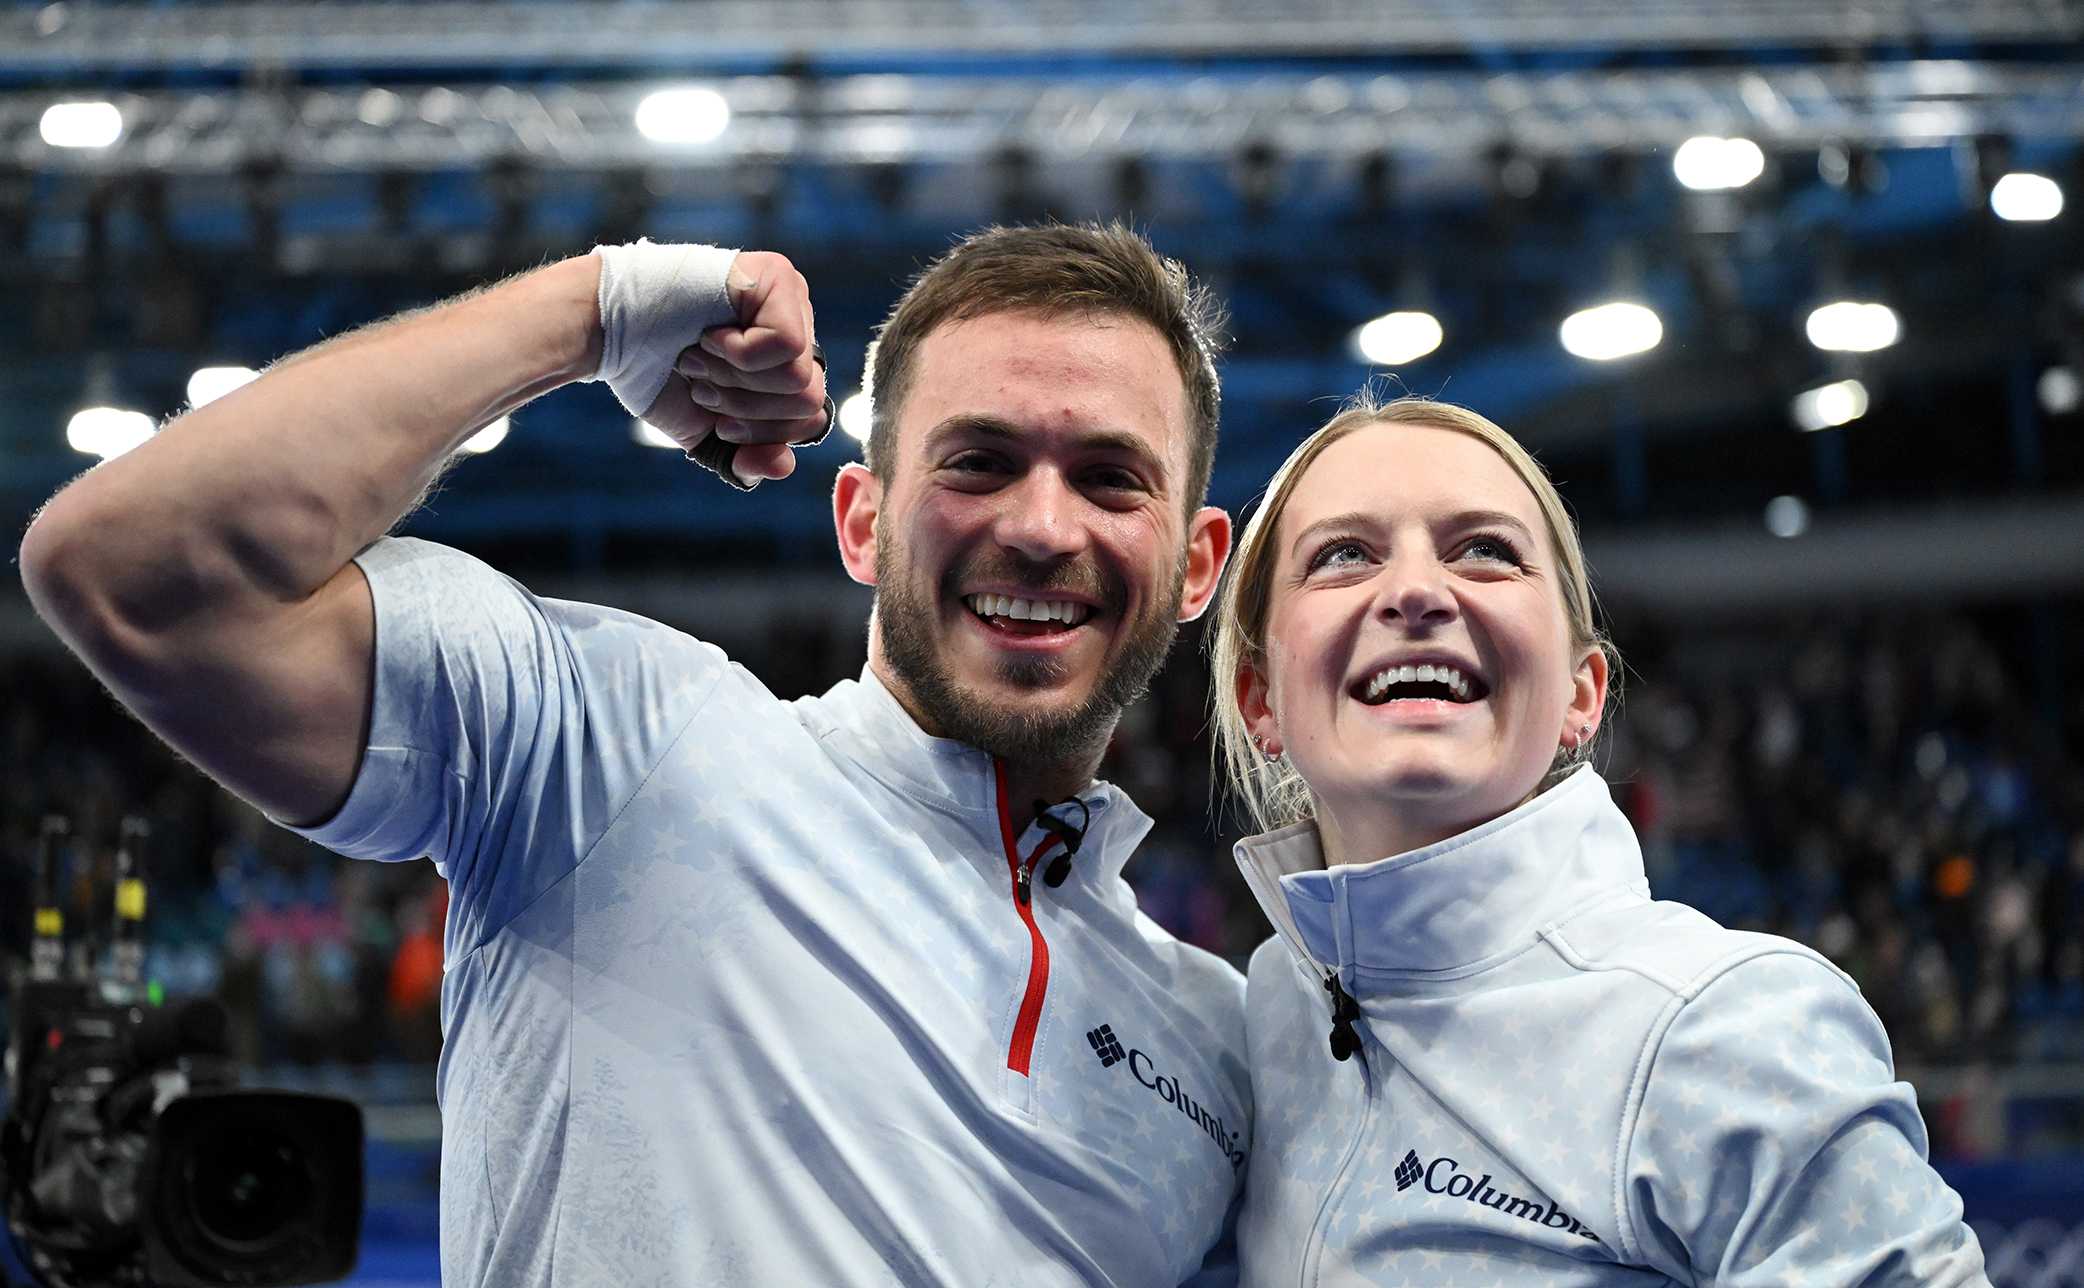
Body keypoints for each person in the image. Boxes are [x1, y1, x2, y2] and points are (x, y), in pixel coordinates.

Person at [19, 224, 1251, 1285]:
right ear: (862, 523)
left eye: (1107, 477)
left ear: (1195, 565)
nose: (1040, 527)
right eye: (978, 462)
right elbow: (133, 571)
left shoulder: (1217, 1045)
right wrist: (594, 306)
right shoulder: (614, 749)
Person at [1207, 394, 1990, 1285]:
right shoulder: (1259, 1020)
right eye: (1344, 554)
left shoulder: (1727, 1028)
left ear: (1582, 694)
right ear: (1260, 699)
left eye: (1486, 551)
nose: (1418, 591)